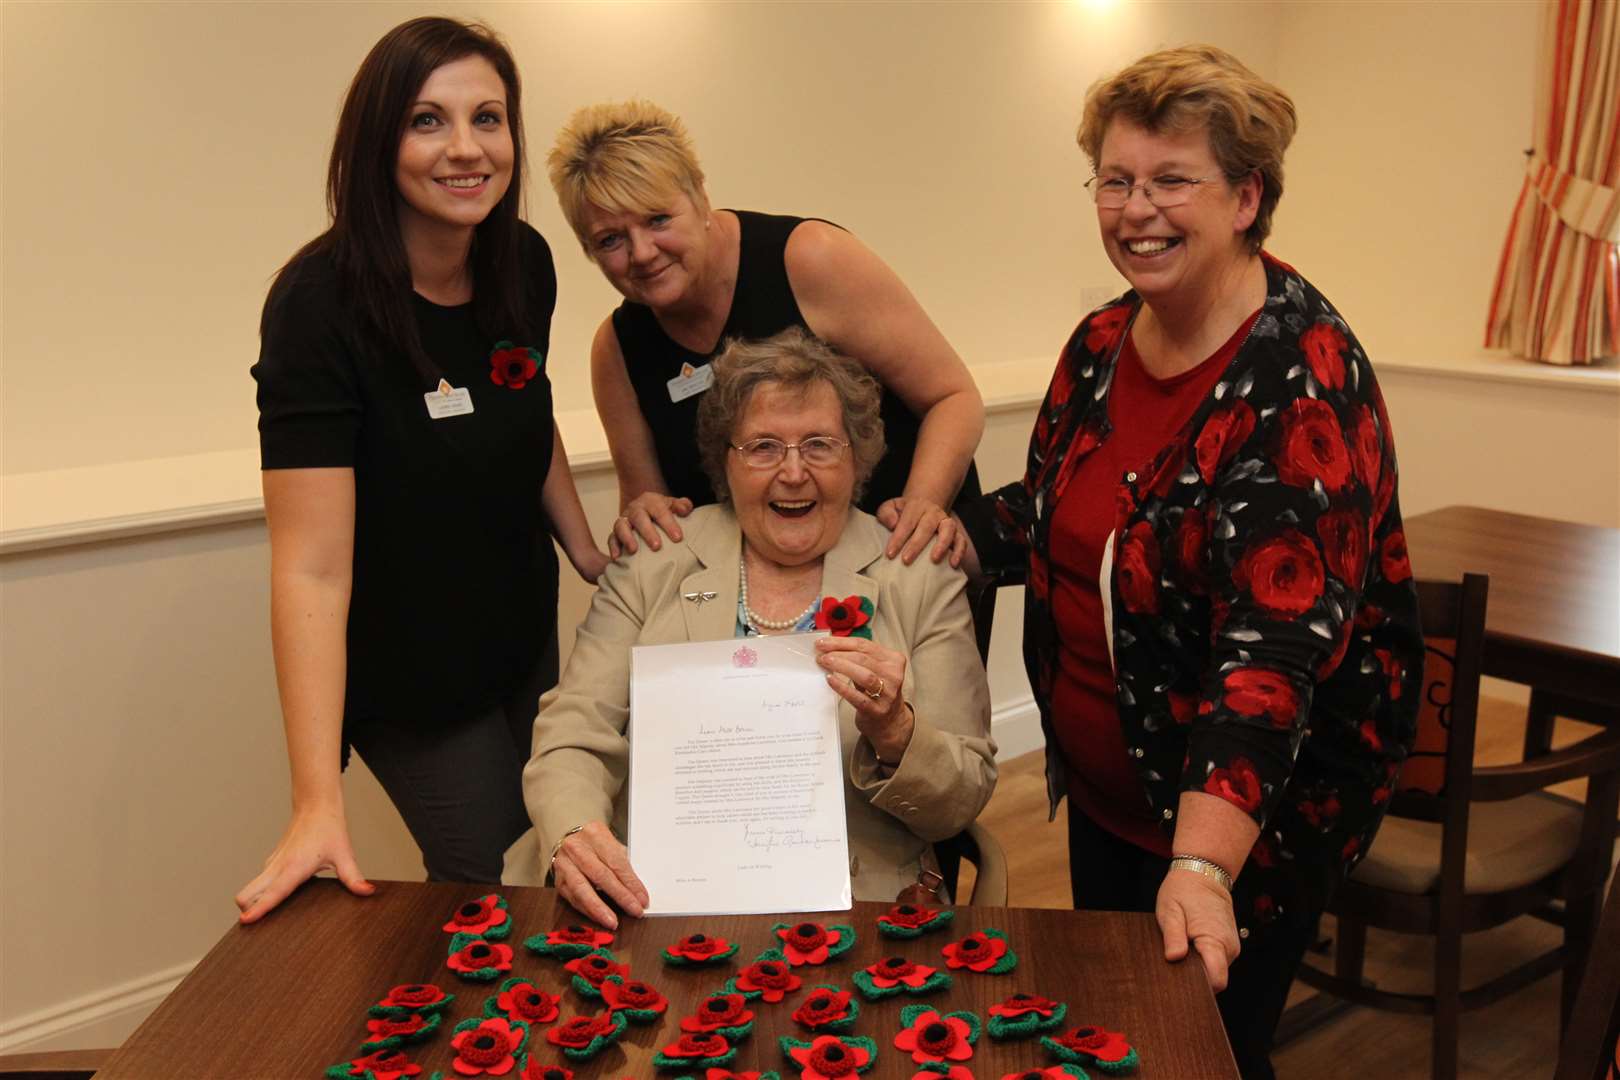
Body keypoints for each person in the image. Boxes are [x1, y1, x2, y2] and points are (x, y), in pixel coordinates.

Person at [954, 45, 1424, 1080]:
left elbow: (1270, 654)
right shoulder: (1101, 342)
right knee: (1116, 1040)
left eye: (1172, 181)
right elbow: (1050, 508)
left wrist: (1206, 862)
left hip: (1248, 813)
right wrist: (926, 534)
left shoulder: (1302, 379)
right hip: (1114, 780)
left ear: (1248, 196)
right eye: (1115, 181)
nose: (1136, 210)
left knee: (1196, 1054)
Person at [237, 17, 607, 923]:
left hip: (520, 639)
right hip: (411, 682)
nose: (467, 149)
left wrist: (590, 554)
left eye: (489, 117)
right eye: (427, 121)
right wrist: (316, 797)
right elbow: (311, 567)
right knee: (507, 896)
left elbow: (527, 413)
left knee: (570, 856)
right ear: (377, 141)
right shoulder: (318, 307)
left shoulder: (523, 260)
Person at [509, 328, 996, 924]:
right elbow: (574, 729)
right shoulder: (655, 559)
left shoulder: (917, 576)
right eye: (763, 447)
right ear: (725, 461)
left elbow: (961, 797)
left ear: (858, 458)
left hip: (856, 908)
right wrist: (577, 830)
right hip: (657, 895)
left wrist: (896, 731)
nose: (793, 473)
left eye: (819, 444)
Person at [546, 99, 983, 567]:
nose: (643, 252)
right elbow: (650, 506)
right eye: (610, 240)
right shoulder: (616, 351)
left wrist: (921, 508)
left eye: (658, 220)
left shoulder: (812, 259)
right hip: (759, 598)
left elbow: (954, 398)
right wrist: (644, 517)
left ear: (699, 197)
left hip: (900, 560)